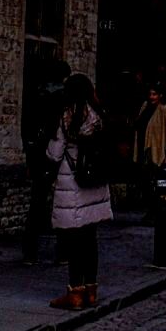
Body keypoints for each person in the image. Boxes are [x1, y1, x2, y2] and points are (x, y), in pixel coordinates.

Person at [46, 73, 112, 311]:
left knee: (74, 241)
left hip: (73, 183)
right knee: (90, 240)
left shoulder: (67, 117)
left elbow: (54, 153)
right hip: (94, 183)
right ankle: (91, 290)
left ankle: (75, 292)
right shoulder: (98, 115)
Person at [21, 59, 71, 264]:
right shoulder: (63, 98)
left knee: (37, 203)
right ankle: (61, 253)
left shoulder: (36, 95)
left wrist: (30, 156)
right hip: (56, 154)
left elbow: (28, 128)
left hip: (37, 154)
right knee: (62, 204)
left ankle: (30, 253)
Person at [134, 82, 166, 176]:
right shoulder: (145, 106)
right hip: (142, 150)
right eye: (150, 94)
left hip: (158, 152)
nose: (151, 97)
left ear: (160, 95)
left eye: (154, 94)